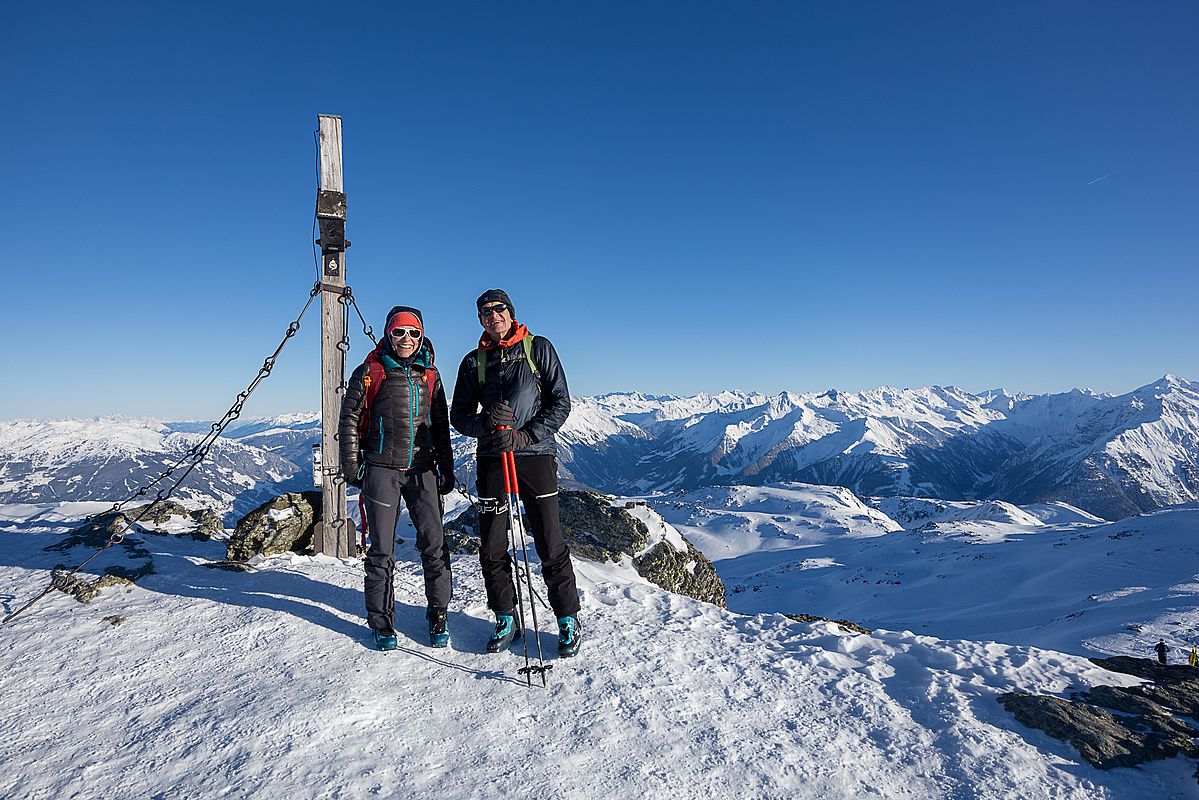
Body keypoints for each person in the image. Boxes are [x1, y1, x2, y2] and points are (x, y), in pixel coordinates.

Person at [450, 289, 582, 658]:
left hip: (535, 456)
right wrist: (485, 423)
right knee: (493, 543)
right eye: (485, 312)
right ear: (479, 319)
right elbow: (458, 415)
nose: (493, 316)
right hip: (493, 457)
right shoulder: (473, 362)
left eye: (499, 309)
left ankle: (567, 617)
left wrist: (526, 436)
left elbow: (561, 402)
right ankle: (505, 615)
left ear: (511, 312)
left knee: (549, 540)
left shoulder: (538, 349)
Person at [339, 306, 455, 651]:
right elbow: (348, 421)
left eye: (413, 333)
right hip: (381, 468)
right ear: (389, 335)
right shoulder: (369, 372)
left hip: (422, 469)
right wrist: (351, 465)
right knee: (381, 550)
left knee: (434, 545)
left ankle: (438, 615)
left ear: (422, 337)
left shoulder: (430, 376)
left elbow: (440, 427)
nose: (406, 339)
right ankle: (381, 622)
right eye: (399, 332)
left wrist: (446, 467)